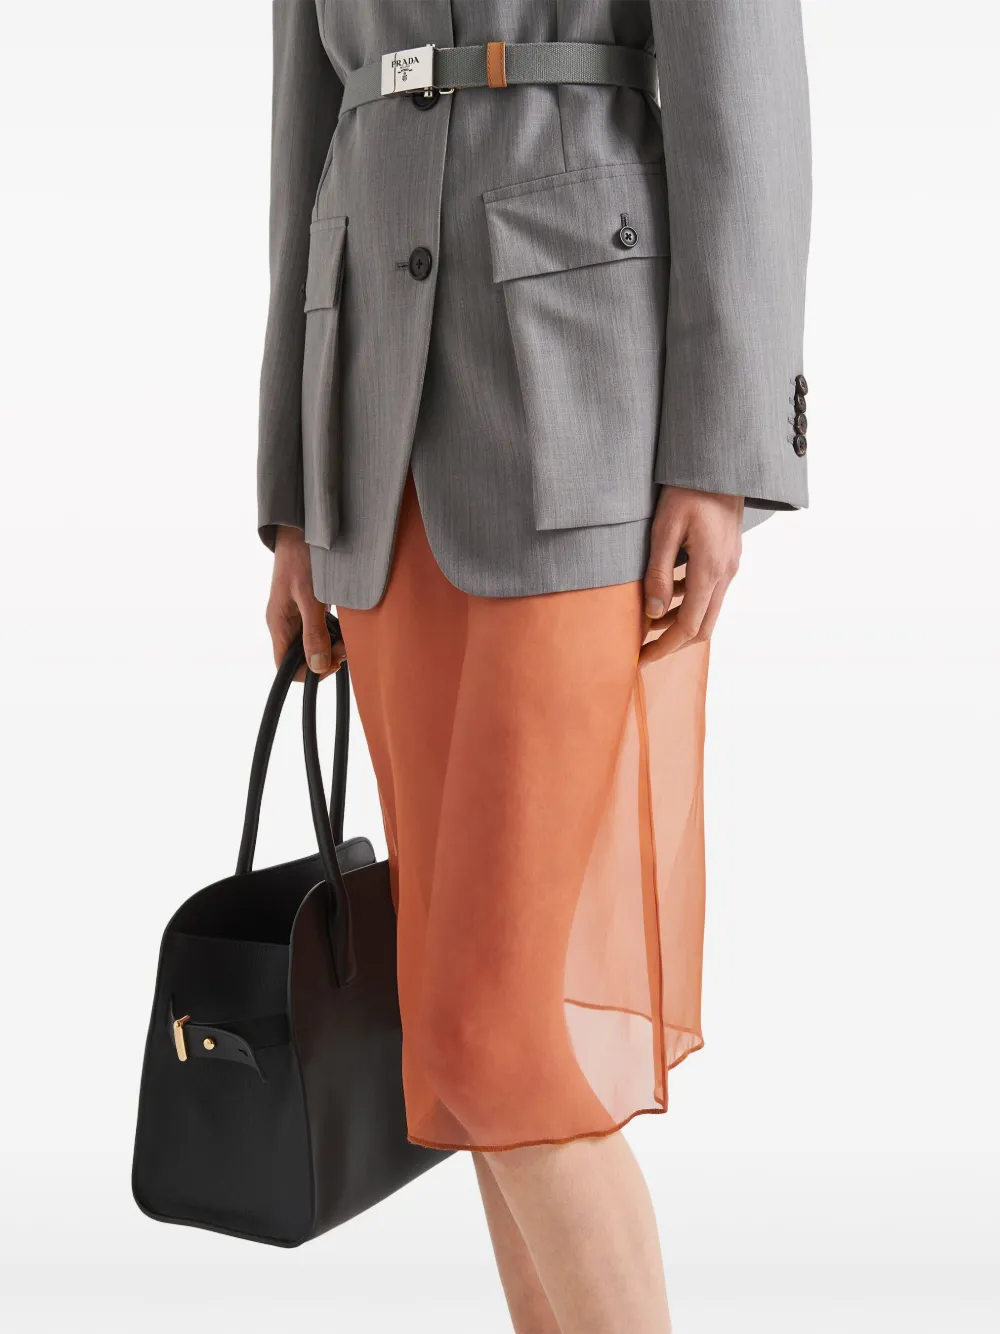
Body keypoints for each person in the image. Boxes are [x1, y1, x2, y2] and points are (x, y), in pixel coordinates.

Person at [258, 3, 811, 1330]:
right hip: (370, 431)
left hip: (583, 394)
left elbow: (745, 102)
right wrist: (290, 494)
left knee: (487, 1035)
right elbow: (301, 129)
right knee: (457, 1057)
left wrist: (723, 449)